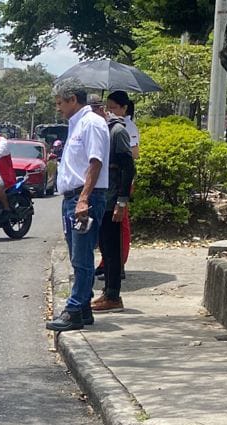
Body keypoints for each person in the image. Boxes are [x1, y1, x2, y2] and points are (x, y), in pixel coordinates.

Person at [47, 84, 110, 333]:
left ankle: (74, 309)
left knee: (82, 257)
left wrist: (84, 199)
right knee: (77, 256)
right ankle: (82, 308)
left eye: (60, 103)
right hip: (72, 198)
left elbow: (95, 162)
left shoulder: (92, 123)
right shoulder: (77, 124)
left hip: (86, 197)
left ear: (73, 99)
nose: (58, 109)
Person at [92, 95, 136, 313]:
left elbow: (129, 169)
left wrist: (121, 201)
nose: (107, 111)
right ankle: (108, 292)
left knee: (112, 249)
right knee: (105, 249)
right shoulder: (103, 131)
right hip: (103, 199)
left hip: (113, 200)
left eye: (110, 108)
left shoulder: (118, 132)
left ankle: (113, 295)